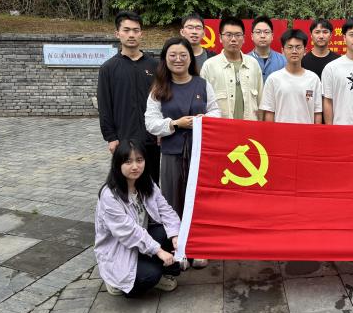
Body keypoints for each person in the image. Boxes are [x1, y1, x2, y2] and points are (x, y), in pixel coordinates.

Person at [94, 139, 182, 297]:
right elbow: (129, 232)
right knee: (150, 276)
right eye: (128, 162)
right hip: (121, 247)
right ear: (117, 164)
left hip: (141, 238)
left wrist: (175, 235)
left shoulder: (146, 182)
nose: (135, 166)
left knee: (169, 234)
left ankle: (154, 266)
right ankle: (117, 283)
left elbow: (165, 209)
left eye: (139, 160)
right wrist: (159, 251)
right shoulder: (110, 196)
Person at [144, 37, 220, 218]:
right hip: (172, 153)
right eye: (173, 55)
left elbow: (216, 111)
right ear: (165, 58)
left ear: (190, 58)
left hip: (200, 153)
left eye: (183, 55)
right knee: (173, 198)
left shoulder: (202, 84)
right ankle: (175, 233)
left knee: (200, 197)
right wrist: (175, 123)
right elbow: (150, 122)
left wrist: (205, 119)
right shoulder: (159, 88)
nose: (178, 59)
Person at [97, 11, 160, 183]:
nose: (131, 34)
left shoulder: (155, 66)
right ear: (117, 33)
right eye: (126, 30)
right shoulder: (108, 68)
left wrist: (162, 131)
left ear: (141, 33)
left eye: (135, 30)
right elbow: (105, 106)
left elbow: (163, 99)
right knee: (125, 186)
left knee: (152, 185)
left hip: (152, 139)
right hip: (124, 140)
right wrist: (111, 137)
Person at [200, 16, 263, 120]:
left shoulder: (253, 64)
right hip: (221, 127)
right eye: (228, 35)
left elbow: (261, 100)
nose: (233, 39)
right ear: (220, 38)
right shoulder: (209, 66)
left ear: (244, 38)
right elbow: (202, 102)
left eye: (238, 35)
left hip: (250, 127)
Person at [260, 29, 322, 124]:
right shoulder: (273, 79)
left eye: (298, 47)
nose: (294, 51)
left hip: (307, 132)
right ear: (283, 51)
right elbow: (269, 112)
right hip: (281, 132)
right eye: (290, 47)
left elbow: (317, 112)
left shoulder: (313, 79)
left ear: (305, 51)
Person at [248, 16, 286, 82]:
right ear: (252, 36)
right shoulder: (244, 60)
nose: (262, 36)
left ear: (272, 36)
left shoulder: (283, 60)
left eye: (266, 32)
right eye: (258, 32)